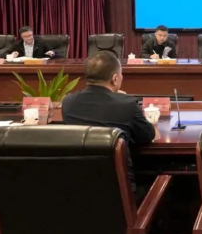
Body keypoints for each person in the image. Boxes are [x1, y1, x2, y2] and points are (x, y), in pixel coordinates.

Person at [62, 51, 156, 194]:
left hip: (77, 192)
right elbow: (148, 136)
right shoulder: (127, 104)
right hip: (121, 195)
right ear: (115, 79)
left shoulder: (68, 102)